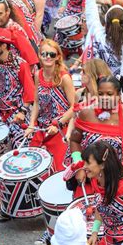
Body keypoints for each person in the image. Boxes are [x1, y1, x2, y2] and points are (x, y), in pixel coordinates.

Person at [69, 75, 123, 193]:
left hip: (119, 178)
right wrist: (79, 166)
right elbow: (74, 141)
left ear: (118, 95)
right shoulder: (86, 113)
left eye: (109, 94)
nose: (104, 98)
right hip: (89, 177)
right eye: (100, 94)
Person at [25, 39, 75, 171]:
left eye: (52, 54)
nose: (47, 57)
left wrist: (57, 123)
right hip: (42, 128)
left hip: (60, 130)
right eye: (44, 54)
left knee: (58, 169)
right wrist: (31, 124)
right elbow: (36, 102)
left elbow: (74, 108)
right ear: (39, 56)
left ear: (58, 57)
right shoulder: (37, 75)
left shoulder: (64, 78)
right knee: (32, 166)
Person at [0, 27, 35, 147]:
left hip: (18, 113)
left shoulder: (21, 65)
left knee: (20, 148)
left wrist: (22, 112)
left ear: (3, 46)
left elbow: (30, 92)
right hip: (0, 112)